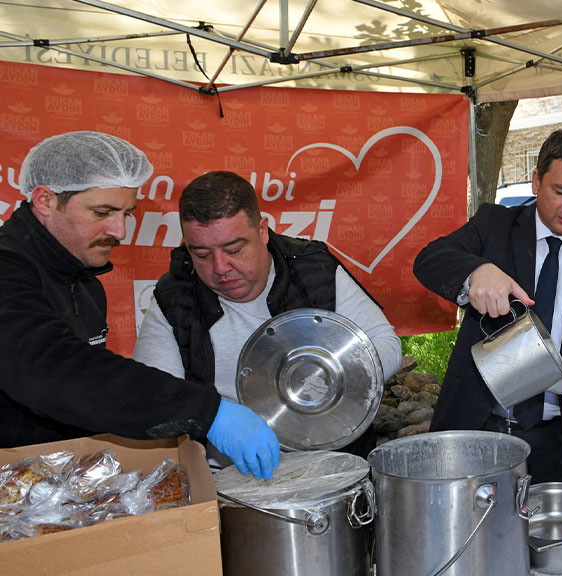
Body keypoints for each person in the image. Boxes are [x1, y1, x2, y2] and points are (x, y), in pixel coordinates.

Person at [0, 132, 279, 480]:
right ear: (45, 200)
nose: (119, 231)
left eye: (125, 213)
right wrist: (208, 412)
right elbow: (55, 368)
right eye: (102, 212)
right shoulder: (7, 270)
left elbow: (91, 400)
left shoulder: (85, 285)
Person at [414, 128, 562, 491]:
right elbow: (430, 259)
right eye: (560, 191)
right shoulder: (496, 225)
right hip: (479, 428)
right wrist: (477, 271)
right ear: (536, 181)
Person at [134, 171, 401, 464]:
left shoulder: (312, 269)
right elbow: (155, 393)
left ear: (262, 230)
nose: (220, 268)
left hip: (332, 460)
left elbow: (385, 344)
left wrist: (322, 381)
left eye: (234, 249)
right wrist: (212, 418)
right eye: (201, 254)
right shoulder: (175, 297)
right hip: (229, 474)